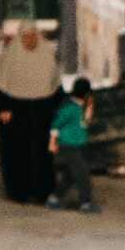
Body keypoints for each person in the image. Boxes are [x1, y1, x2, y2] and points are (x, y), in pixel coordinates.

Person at [0, 22, 60, 204]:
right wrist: (3, 109)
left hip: (42, 113)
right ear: (20, 38)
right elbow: (0, 87)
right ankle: (18, 192)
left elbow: (55, 87)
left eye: (33, 36)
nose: (30, 40)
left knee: (42, 153)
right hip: (15, 113)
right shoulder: (8, 58)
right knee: (16, 152)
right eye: (25, 36)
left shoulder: (47, 57)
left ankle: (42, 192)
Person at [47, 75, 96, 212]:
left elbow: (85, 123)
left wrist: (90, 108)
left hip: (79, 144)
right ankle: (85, 203)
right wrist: (53, 143)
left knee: (70, 175)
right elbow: (55, 126)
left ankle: (54, 198)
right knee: (82, 173)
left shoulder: (82, 106)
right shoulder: (68, 108)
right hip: (68, 145)